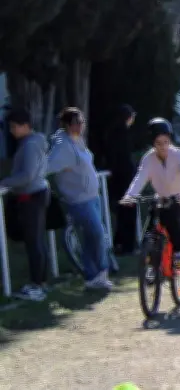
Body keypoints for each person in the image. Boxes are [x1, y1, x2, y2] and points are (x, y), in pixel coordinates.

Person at [47, 107, 112, 290]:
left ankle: (95, 275)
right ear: (68, 125)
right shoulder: (63, 147)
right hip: (78, 200)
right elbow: (48, 166)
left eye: (82, 121)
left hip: (92, 196)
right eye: (77, 122)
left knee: (93, 237)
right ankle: (97, 272)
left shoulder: (78, 141)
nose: (81, 125)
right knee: (97, 233)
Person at [120, 118, 180, 269]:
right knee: (151, 226)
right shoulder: (148, 159)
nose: (163, 147)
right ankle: (151, 260)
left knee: (172, 219)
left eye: (166, 142)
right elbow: (140, 179)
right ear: (153, 144)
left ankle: (179, 253)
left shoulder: (177, 154)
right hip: (161, 197)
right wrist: (130, 196)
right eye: (159, 143)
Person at [1, 108, 49, 301]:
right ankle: (40, 282)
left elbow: (27, 175)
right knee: (37, 240)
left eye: (14, 127)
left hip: (32, 196)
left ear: (26, 126)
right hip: (37, 193)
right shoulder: (34, 142)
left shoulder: (30, 145)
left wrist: (4, 182)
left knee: (34, 242)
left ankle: (37, 285)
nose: (12, 131)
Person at [105, 104, 137, 255]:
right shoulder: (124, 134)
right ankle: (128, 246)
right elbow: (125, 158)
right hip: (126, 178)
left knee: (120, 212)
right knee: (129, 212)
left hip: (116, 179)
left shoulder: (111, 133)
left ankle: (119, 242)